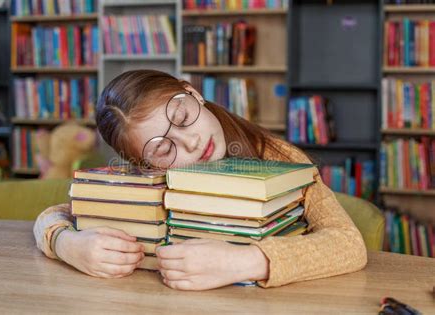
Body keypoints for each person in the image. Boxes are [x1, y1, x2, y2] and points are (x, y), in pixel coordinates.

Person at [33, 69, 367, 291]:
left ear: (192, 93)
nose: (190, 141)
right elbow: (55, 214)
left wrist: (244, 261)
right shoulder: (150, 181)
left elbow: (349, 244)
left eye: (182, 117)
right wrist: (67, 245)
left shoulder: (279, 157)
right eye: (164, 149)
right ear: (145, 165)